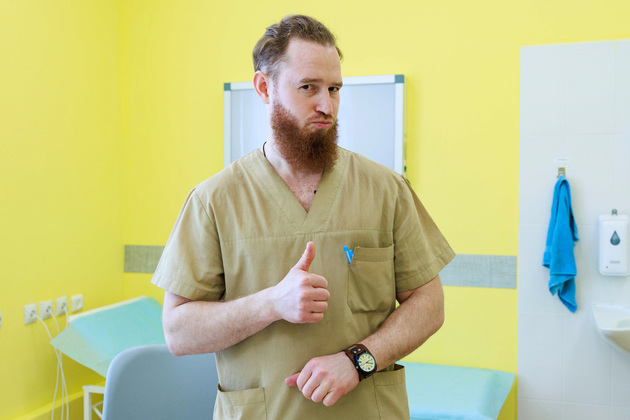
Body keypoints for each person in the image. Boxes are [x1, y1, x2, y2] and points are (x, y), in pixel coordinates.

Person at [152, 14, 455, 419]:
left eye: (334, 89)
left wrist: (358, 360)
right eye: (308, 87)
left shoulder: (386, 190)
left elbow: (429, 303)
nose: (326, 105)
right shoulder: (214, 201)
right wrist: (271, 304)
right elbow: (178, 332)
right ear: (264, 87)